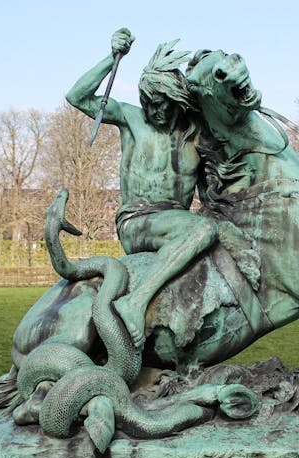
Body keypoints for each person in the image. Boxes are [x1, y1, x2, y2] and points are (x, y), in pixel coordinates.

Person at [66, 28, 218, 348]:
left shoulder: (196, 137)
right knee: (203, 231)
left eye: (162, 103)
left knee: (214, 231)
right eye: (150, 102)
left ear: (178, 100)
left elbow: (208, 198)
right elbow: (77, 97)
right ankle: (135, 303)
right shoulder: (131, 118)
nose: (156, 110)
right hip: (137, 220)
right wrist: (111, 58)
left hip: (174, 223)